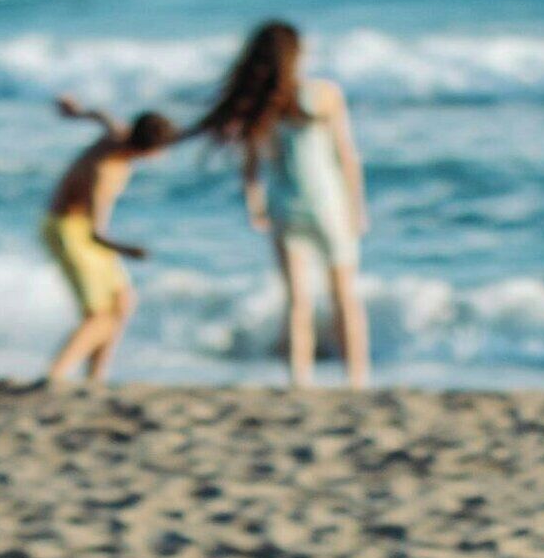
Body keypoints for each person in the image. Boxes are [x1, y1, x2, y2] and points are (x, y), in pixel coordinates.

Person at [196, 20, 372, 389]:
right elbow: (345, 155)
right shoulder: (323, 94)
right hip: (328, 203)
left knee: (297, 302)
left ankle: (300, 379)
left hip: (283, 205)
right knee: (344, 295)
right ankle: (356, 378)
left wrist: (253, 200)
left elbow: (252, 161)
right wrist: (358, 206)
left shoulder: (262, 103)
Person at [39, 95, 179, 387]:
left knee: (123, 301)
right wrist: (129, 250)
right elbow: (96, 234)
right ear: (149, 150)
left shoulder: (117, 135)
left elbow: (101, 113)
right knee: (99, 314)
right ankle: (55, 375)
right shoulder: (104, 171)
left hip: (79, 229)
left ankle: (95, 377)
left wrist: (76, 113)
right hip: (67, 230)